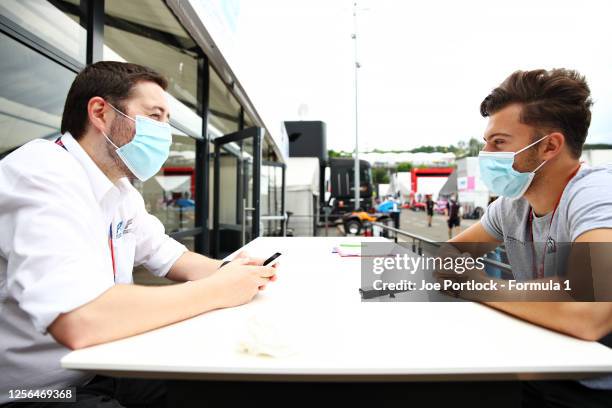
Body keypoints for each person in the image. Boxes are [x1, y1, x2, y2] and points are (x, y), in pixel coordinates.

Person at [0, 61, 277, 407]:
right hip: (42, 391)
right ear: (100, 112)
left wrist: (233, 271)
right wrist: (218, 289)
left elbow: (168, 254)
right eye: (155, 116)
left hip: (109, 365)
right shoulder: (40, 173)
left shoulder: (120, 189)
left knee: (222, 388)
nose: (165, 131)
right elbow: (80, 319)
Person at [449, 68, 612, 407]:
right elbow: (448, 256)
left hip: (596, 388)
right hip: (539, 372)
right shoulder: (512, 205)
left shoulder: (596, 195)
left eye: (499, 142)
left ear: (550, 146)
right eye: (486, 142)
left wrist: (478, 286)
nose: (486, 154)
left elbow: (589, 312)